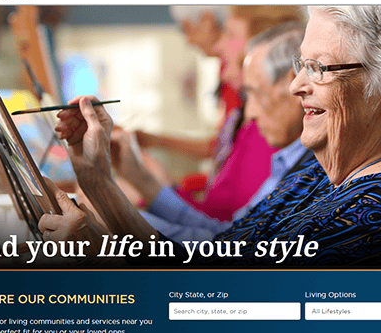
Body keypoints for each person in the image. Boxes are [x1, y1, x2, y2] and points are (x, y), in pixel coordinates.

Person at [44, 5, 381, 266]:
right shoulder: (332, 173)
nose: (295, 86)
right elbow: (216, 256)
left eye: (319, 68)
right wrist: (97, 180)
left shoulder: (380, 218)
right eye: (301, 64)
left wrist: (101, 250)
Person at [109, 21, 311, 243]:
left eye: (256, 93)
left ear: (296, 85)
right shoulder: (285, 159)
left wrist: (112, 208)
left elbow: (230, 247)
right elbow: (230, 233)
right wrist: (135, 182)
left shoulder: (295, 160)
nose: (251, 113)